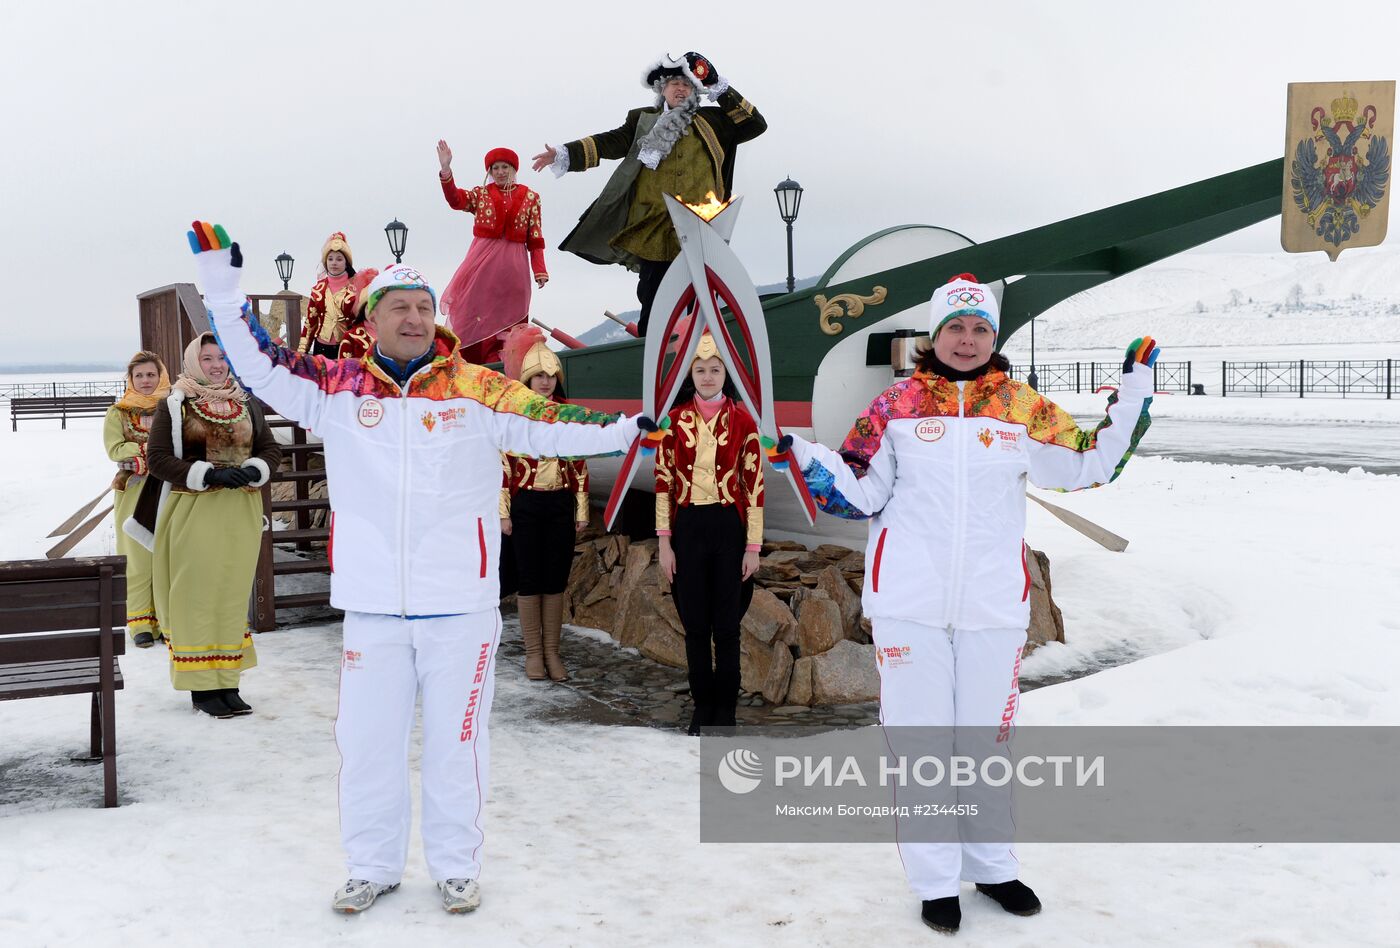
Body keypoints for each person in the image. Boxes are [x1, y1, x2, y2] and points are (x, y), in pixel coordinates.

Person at [184, 221, 650, 916]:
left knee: (457, 745)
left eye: (425, 307)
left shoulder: (475, 388)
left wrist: (627, 429)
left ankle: (457, 865)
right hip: (374, 605)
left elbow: (552, 420)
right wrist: (222, 287)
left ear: (439, 320)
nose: (415, 317)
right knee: (368, 746)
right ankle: (371, 865)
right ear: (370, 320)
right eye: (400, 306)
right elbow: (259, 361)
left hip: (459, 604)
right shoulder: (337, 388)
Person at [787, 274, 1158, 935]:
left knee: (987, 743)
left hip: (991, 606)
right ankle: (935, 881)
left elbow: (1089, 464)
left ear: (994, 336)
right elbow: (859, 493)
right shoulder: (896, 404)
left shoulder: (1021, 407)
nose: (967, 339)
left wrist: (1132, 397)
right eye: (955, 328)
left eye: (980, 328)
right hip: (910, 604)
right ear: (935, 335)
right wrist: (806, 458)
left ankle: (992, 866)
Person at [531, 52, 765, 334]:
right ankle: (650, 357)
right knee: (653, 299)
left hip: (700, 227)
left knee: (701, 301)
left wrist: (717, 83)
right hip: (653, 226)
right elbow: (611, 142)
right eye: (674, 83)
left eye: (688, 84)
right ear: (661, 88)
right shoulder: (642, 120)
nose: (681, 89)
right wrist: (564, 152)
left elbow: (755, 124)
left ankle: (700, 362)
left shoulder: (715, 121)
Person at [135, 333, 281, 718]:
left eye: (221, 357)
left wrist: (257, 468)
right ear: (193, 361)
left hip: (240, 512)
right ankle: (202, 687)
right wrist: (207, 474)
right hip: (194, 511)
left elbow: (270, 448)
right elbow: (159, 458)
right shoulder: (175, 403)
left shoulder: (245, 403)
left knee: (230, 596)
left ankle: (227, 681)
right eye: (208, 358)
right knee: (196, 595)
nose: (217, 364)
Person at [653, 332, 763, 734]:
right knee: (695, 624)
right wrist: (665, 543)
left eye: (715, 369)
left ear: (725, 373)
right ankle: (703, 706)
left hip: (728, 528)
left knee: (727, 627)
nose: (708, 376)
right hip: (688, 528)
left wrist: (753, 546)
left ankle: (726, 710)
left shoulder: (743, 421)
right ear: (691, 374)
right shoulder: (675, 421)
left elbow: (754, 485)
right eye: (700, 370)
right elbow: (663, 482)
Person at [498, 324, 588, 682]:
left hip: (560, 506)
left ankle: (553, 652)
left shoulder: (569, 414)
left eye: (552, 375)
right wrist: (503, 512)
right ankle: (533, 653)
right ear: (528, 379)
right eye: (540, 376)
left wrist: (582, 509)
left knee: (556, 579)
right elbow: (503, 467)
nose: (547, 382)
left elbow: (580, 464)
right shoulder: (515, 417)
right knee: (530, 579)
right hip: (526, 507)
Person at [436, 143, 548, 365]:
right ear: (489, 171)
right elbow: (456, 200)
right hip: (482, 265)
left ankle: (507, 364)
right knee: (476, 312)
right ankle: (473, 365)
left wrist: (540, 270)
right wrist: (446, 170)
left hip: (514, 268)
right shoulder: (481, 194)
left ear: (513, 169)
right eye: (495, 168)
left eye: (504, 167)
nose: (500, 172)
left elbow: (535, 238)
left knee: (511, 319)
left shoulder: (531, 197)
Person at [104, 351, 171, 647]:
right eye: (139, 376)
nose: (145, 381)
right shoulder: (118, 412)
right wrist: (143, 457)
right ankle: (141, 621)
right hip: (134, 490)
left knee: (167, 556)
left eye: (151, 375)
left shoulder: (174, 408)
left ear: (162, 377)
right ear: (130, 380)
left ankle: (168, 619)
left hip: (170, 490)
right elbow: (115, 448)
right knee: (138, 556)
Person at [298, 232, 376, 359]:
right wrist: (302, 351)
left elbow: (364, 320)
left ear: (346, 263)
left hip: (347, 347)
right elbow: (310, 323)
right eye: (330, 259)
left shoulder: (356, 288)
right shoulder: (319, 289)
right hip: (321, 347)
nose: (334, 263)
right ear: (326, 262)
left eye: (339, 259)